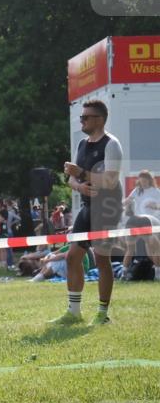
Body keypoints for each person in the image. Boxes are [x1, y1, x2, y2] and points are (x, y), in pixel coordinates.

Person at [52, 99, 124, 324]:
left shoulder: (112, 144)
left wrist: (82, 173)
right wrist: (79, 184)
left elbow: (111, 181)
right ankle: (74, 312)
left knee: (102, 259)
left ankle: (102, 314)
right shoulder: (82, 144)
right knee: (72, 257)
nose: (81, 120)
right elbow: (72, 179)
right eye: (81, 117)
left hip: (107, 207)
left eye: (85, 117)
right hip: (87, 206)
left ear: (99, 119)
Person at [121, 169, 160, 276]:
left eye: (145, 181)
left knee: (151, 250)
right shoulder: (137, 191)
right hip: (137, 221)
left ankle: (157, 272)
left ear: (149, 180)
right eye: (141, 181)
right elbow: (127, 200)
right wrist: (122, 204)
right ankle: (123, 273)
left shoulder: (156, 192)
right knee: (130, 249)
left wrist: (155, 206)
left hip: (151, 222)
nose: (143, 183)